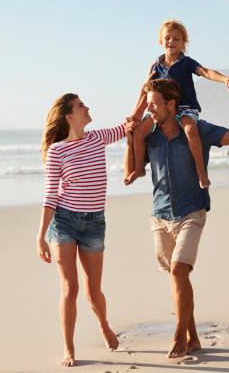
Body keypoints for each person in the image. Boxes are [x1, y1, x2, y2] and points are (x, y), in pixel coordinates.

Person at [123, 78, 229, 358]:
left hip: (192, 210)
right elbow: (134, 170)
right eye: (147, 105)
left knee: (180, 271)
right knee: (177, 277)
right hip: (159, 216)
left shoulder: (198, 130)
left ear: (172, 104)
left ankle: (179, 336)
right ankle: (193, 336)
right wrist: (130, 136)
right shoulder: (151, 136)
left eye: (154, 105)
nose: (150, 110)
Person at [36, 93, 134, 367]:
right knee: (70, 288)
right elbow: (50, 197)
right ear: (69, 116)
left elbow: (131, 125)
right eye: (81, 106)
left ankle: (103, 324)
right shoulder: (57, 152)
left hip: (94, 223)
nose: (87, 108)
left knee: (93, 290)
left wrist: (146, 90)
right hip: (64, 222)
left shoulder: (97, 138)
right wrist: (40, 236)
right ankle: (69, 349)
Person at [125, 19, 229, 189]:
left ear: (184, 43)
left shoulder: (187, 62)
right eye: (167, 38)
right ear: (160, 41)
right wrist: (135, 115)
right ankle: (139, 169)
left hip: (185, 108)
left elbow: (205, 72)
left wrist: (224, 79)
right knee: (139, 132)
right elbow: (146, 92)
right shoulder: (156, 66)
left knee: (191, 130)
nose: (171, 42)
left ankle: (201, 173)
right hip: (161, 110)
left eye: (177, 39)